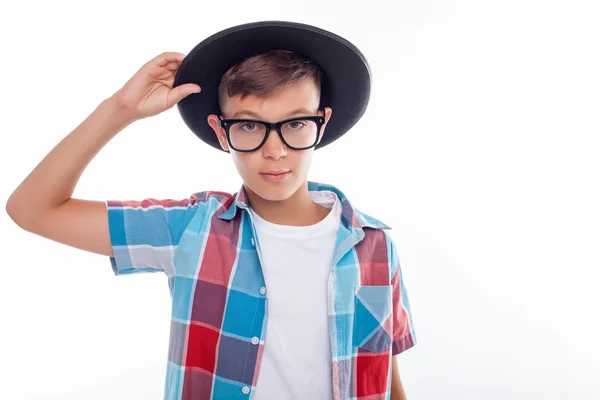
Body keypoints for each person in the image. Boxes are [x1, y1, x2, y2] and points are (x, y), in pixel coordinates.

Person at [6, 21, 416, 400]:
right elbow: (32, 209)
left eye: (295, 123)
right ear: (222, 131)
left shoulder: (375, 245)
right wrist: (120, 109)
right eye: (250, 126)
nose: (274, 150)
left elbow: (386, 378)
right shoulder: (192, 229)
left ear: (320, 124)